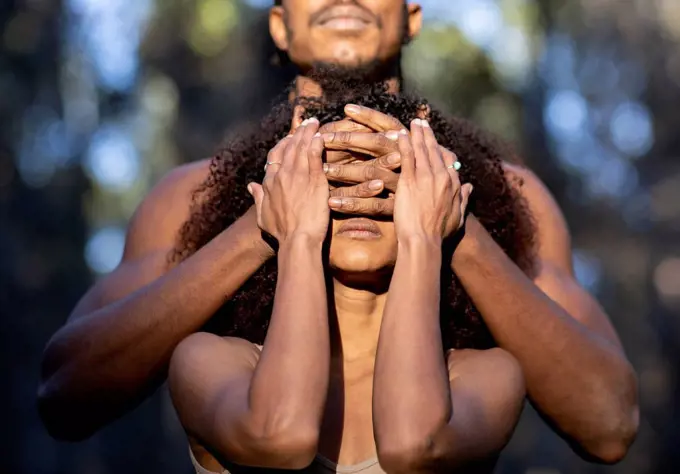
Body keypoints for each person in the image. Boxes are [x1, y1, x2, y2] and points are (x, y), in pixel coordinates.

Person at [38, 0, 638, 465]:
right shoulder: (190, 200)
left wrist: (456, 229)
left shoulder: (508, 198)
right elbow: (65, 393)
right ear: (279, 25)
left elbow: (610, 423)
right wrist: (260, 230)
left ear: (412, 18)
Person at [170, 81, 530, 473]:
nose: (361, 199)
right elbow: (280, 435)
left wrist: (423, 238)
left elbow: (413, 446)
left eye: (388, 180)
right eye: (336, 178)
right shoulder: (207, 361)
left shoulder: (487, 377)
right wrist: (298, 238)